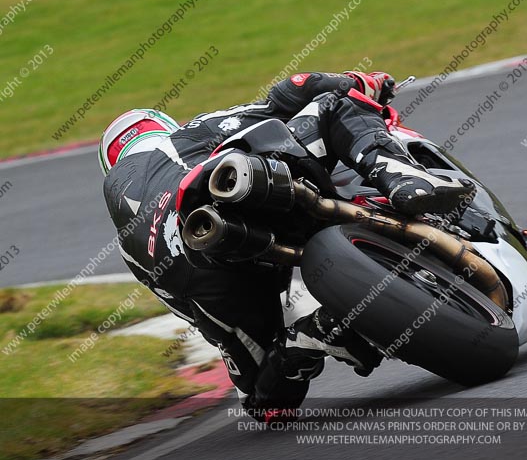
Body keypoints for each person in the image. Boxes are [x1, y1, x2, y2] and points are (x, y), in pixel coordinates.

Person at [99, 70, 474, 420]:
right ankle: (404, 180)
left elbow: (187, 308)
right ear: (163, 127)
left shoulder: (128, 244)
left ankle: (308, 340)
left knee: (266, 403)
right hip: (243, 188)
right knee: (335, 103)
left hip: (202, 267)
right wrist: (362, 80)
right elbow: (295, 88)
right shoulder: (189, 133)